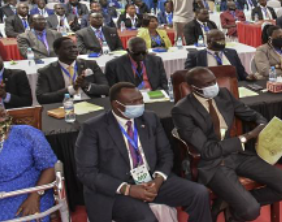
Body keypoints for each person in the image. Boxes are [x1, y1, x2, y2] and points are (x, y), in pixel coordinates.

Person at [172, 67, 282, 221]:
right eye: (208, 83)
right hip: (213, 163)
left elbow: (250, 113)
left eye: (214, 80)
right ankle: (237, 209)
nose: (214, 85)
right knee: (250, 211)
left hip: (238, 154)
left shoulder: (224, 94)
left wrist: (262, 124)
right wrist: (245, 138)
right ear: (194, 88)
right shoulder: (181, 110)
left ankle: (229, 202)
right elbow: (207, 150)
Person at [75, 82, 211, 222]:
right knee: (146, 218)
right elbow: (86, 173)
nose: (140, 104)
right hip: (116, 189)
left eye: (140, 99)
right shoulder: (93, 128)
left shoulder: (150, 118)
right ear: (116, 104)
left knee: (199, 193)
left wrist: (158, 180)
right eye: (133, 102)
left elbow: (166, 153)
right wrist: (127, 189)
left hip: (151, 180)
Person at [0, 98, 57, 221]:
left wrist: (35, 196)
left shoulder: (27, 134)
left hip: (28, 194)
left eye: (3, 114)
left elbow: (49, 167)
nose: (2, 120)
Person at [36, 37, 109, 104]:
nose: (73, 50)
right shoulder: (46, 71)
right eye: (68, 48)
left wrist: (86, 85)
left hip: (90, 103)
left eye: (74, 47)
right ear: (57, 51)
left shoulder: (91, 64)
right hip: (63, 106)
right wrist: (72, 89)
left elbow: (106, 89)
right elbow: (42, 98)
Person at [185, 30, 255, 81]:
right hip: (208, 87)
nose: (222, 42)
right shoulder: (195, 56)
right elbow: (189, 77)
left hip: (233, 85)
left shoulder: (231, 53)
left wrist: (247, 77)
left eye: (223, 39)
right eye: (218, 39)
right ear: (208, 41)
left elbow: (241, 72)